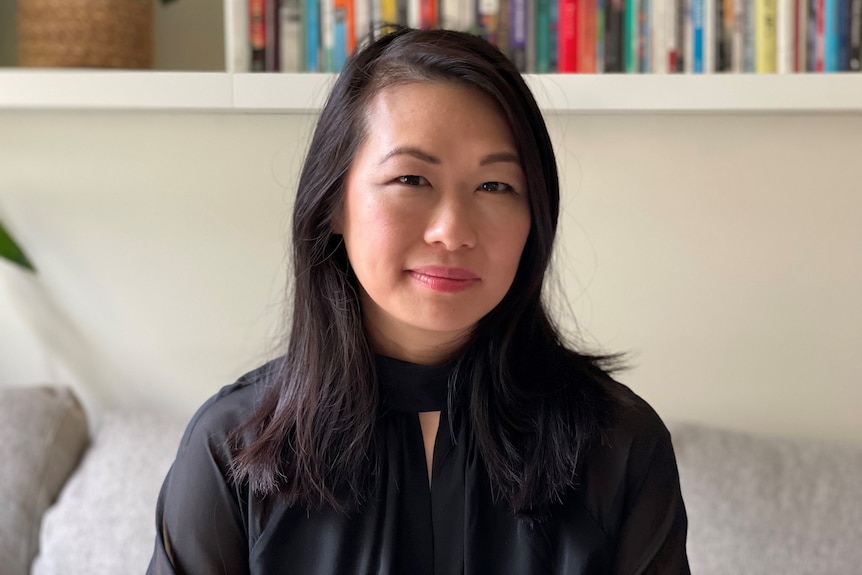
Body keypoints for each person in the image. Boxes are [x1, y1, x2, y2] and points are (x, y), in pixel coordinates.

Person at [147, 27, 690, 575]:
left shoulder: (619, 444)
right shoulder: (231, 448)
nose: (452, 232)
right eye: (411, 178)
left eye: (495, 186)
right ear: (333, 204)